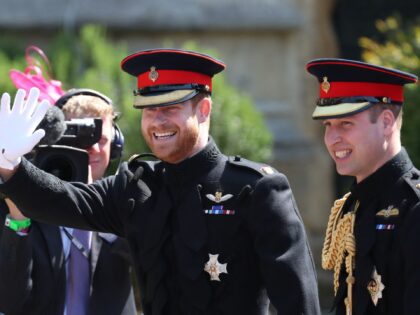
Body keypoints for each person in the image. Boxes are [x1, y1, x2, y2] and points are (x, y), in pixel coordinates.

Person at [0, 49, 320, 314]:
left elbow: (298, 304)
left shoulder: (256, 190)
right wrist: (10, 165)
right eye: (148, 110)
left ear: (204, 109)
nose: (157, 121)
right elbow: (63, 200)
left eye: (170, 107)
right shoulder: (135, 187)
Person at [0, 89, 137, 315]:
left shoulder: (126, 198)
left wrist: (97, 200)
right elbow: (9, 302)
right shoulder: (24, 201)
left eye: (101, 140)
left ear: (115, 147)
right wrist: (18, 220)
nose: (91, 149)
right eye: (79, 139)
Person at [307, 58, 420, 315]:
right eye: (328, 125)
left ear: (386, 122)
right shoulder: (353, 206)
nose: (333, 139)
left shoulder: (414, 208)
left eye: (346, 124)